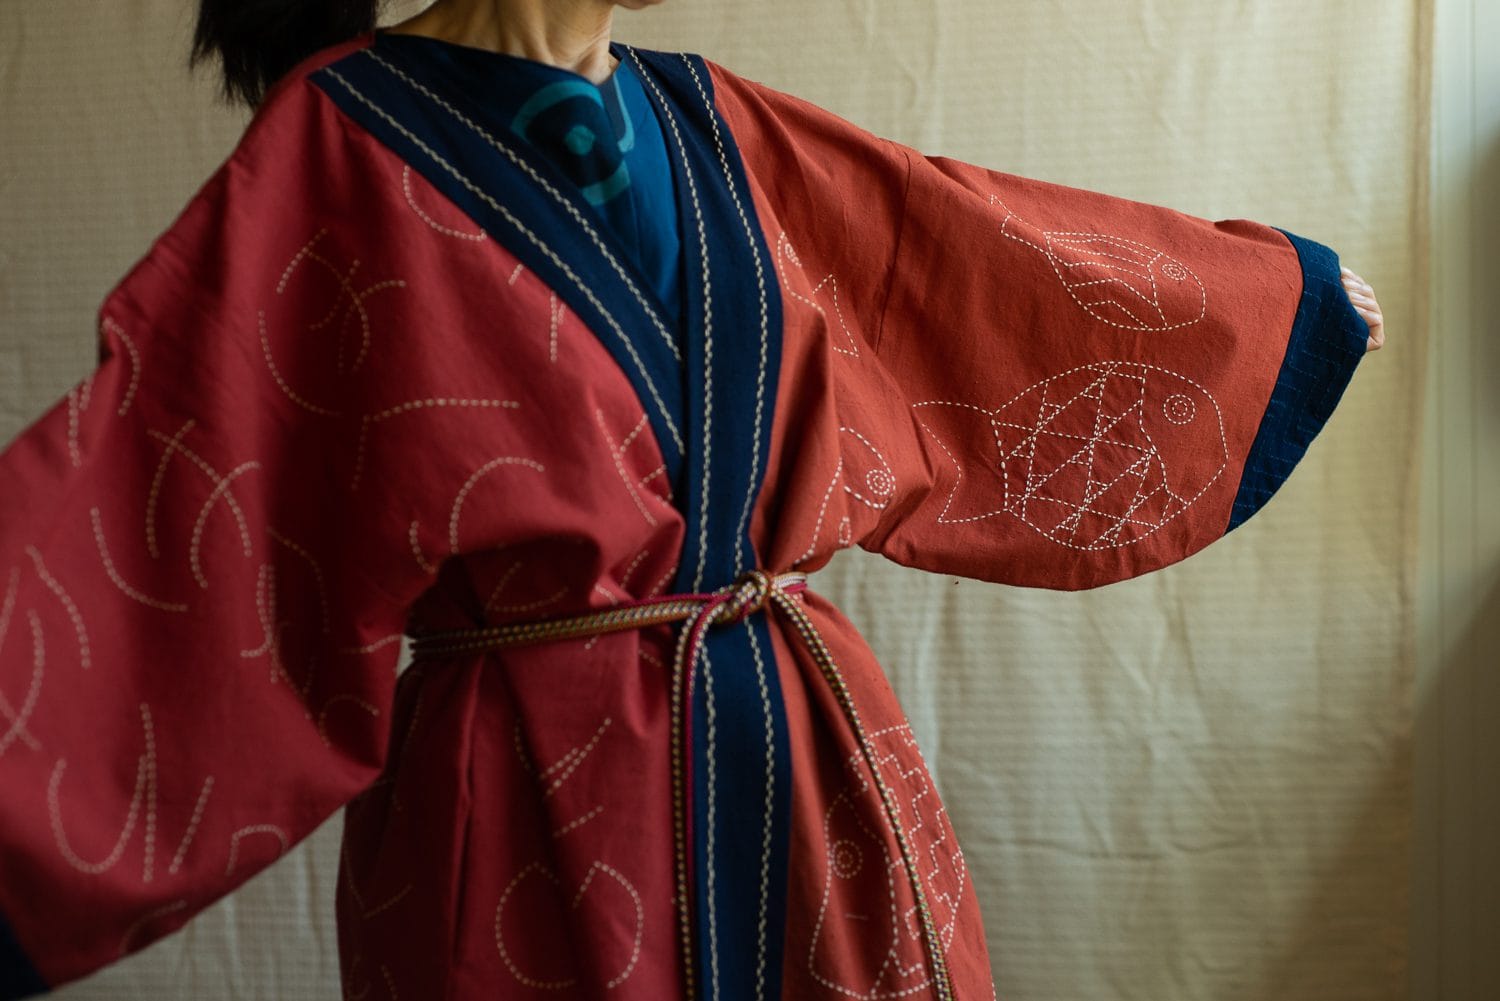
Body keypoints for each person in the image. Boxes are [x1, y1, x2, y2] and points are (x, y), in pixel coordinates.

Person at [0, 0, 1386, 998]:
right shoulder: (342, 139)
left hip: (803, 762)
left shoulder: (706, 119)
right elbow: (180, 474)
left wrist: (1266, 310)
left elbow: (961, 263)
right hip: (525, 804)